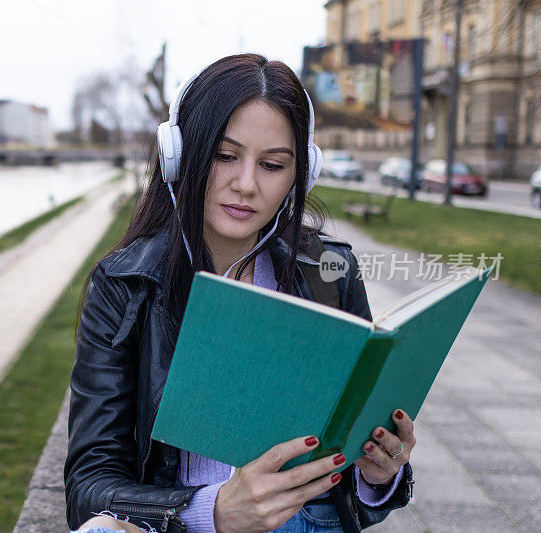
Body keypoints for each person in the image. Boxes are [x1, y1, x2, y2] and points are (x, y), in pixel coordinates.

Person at [65, 54, 416, 533]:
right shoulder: (125, 284)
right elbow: (89, 486)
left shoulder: (330, 274)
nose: (246, 184)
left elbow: (354, 474)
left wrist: (379, 472)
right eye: (224, 156)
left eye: (272, 165)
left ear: (301, 174)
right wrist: (209, 511)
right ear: (179, 154)